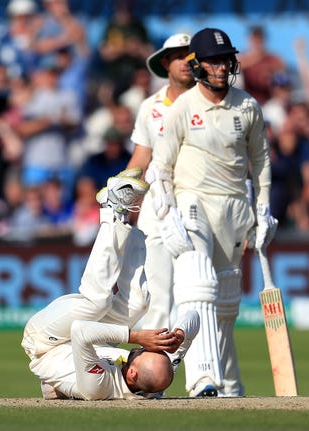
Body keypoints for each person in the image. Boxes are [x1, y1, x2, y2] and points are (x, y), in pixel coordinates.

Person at [146, 28, 277, 397]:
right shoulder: (184, 108)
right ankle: (203, 378)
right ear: (198, 65)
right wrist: (166, 209)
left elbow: (260, 158)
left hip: (235, 208)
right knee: (197, 284)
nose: (221, 68)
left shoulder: (247, 106)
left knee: (225, 308)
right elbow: (161, 166)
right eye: (213, 61)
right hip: (192, 201)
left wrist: (263, 207)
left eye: (225, 60)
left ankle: (230, 386)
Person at [22, 168, 200, 400]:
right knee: (138, 303)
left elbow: (80, 330)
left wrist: (135, 337)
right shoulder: (154, 380)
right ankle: (124, 217)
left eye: (141, 352)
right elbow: (194, 315)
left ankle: (110, 210)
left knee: (97, 303)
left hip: (44, 343)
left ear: (133, 374)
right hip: (93, 339)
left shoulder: (99, 387)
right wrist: (179, 334)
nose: (144, 347)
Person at [125, 33, 194, 337]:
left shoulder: (209, 102)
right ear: (165, 62)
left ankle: (201, 377)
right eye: (179, 56)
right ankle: (155, 379)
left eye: (192, 56)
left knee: (196, 293)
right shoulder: (150, 106)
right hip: (158, 208)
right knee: (157, 295)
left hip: (197, 203)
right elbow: (141, 157)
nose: (187, 62)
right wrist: (122, 196)